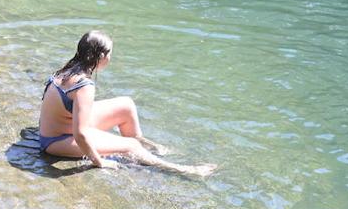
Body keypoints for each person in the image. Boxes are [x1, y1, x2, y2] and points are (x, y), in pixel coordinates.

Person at [38, 31, 216, 176]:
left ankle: (146, 146)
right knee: (130, 146)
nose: (111, 57)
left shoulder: (69, 69)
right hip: (56, 140)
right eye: (110, 53)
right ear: (101, 56)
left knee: (126, 105)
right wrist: (99, 162)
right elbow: (80, 134)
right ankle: (180, 169)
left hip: (63, 125)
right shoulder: (84, 86)